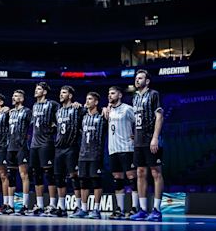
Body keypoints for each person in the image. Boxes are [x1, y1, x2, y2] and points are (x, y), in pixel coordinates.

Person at [130, 70, 164, 222]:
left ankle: (156, 210)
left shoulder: (154, 94)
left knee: (156, 173)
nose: (137, 80)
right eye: (136, 78)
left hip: (151, 139)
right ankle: (143, 209)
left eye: (140, 78)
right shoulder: (134, 97)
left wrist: (155, 138)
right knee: (140, 173)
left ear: (147, 81)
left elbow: (159, 116)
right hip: (138, 141)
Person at [45, 85, 83, 217]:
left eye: (64, 93)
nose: (61, 95)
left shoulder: (77, 109)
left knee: (74, 177)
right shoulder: (58, 111)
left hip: (71, 147)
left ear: (70, 96)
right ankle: (61, 207)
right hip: (59, 149)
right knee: (59, 178)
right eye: (60, 92)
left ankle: (79, 207)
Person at [103, 86, 138, 219]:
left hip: (127, 148)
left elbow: (139, 122)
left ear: (120, 95)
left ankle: (135, 207)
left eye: (112, 93)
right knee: (117, 180)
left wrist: (136, 135)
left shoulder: (128, 108)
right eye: (108, 93)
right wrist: (105, 108)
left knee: (132, 179)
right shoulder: (108, 110)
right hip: (113, 149)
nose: (110, 95)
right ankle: (120, 209)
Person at [70, 92, 107, 219]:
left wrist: (106, 109)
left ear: (96, 102)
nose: (87, 101)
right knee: (83, 182)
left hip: (96, 154)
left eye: (90, 99)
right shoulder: (83, 117)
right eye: (86, 99)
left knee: (96, 182)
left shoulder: (103, 116)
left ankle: (96, 209)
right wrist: (76, 104)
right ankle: (84, 208)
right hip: (82, 154)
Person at [26, 82, 60, 216]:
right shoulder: (34, 106)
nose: (36, 91)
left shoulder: (52, 104)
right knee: (36, 174)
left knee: (49, 174)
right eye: (36, 88)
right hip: (34, 144)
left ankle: (52, 205)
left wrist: (54, 127)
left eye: (39, 89)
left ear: (44, 92)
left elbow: (62, 118)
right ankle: (39, 205)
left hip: (46, 143)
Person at [6, 90, 32, 216]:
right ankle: (10, 206)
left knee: (24, 175)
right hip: (10, 147)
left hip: (22, 147)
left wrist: (27, 137)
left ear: (21, 99)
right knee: (10, 176)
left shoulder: (27, 112)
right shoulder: (10, 113)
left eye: (16, 96)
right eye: (13, 95)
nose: (13, 97)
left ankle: (25, 206)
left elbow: (34, 126)